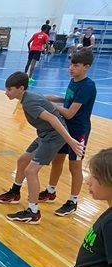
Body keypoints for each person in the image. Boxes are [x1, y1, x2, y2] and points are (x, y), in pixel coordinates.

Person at [0, 72, 84, 224]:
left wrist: (71, 141)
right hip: (44, 134)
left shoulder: (29, 103)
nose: (6, 92)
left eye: (9, 89)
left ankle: (33, 212)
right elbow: (46, 97)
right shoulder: (28, 96)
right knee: (22, 161)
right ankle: (14, 193)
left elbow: (53, 118)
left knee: (30, 170)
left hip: (53, 137)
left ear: (21, 88)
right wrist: (63, 99)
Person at [40, 50, 97, 217]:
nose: (71, 68)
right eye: (71, 64)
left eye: (76, 65)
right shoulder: (74, 81)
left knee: (75, 166)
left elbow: (70, 113)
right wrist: (54, 98)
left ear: (86, 67)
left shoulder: (88, 86)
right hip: (66, 127)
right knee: (57, 160)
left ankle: (73, 201)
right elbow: (69, 101)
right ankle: (51, 191)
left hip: (79, 131)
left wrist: (49, 106)